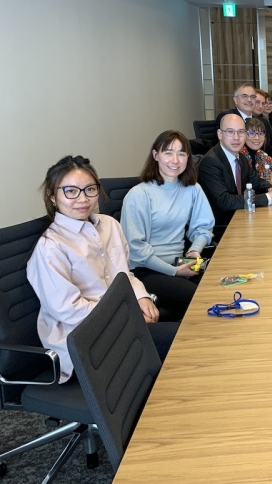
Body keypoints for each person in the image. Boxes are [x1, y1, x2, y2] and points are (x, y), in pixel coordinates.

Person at [26, 155, 177, 384]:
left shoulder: (109, 225)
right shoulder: (51, 247)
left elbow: (125, 274)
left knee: (184, 340)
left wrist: (141, 296)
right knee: (181, 347)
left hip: (120, 323)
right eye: (70, 191)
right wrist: (127, 317)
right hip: (84, 340)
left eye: (90, 189)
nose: (83, 199)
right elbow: (70, 311)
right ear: (52, 196)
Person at [121, 130, 215, 321]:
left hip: (180, 263)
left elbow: (203, 226)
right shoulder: (139, 195)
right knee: (203, 300)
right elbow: (136, 249)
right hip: (147, 271)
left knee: (221, 285)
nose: (175, 160)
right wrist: (174, 272)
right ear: (156, 155)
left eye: (181, 154)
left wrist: (194, 251)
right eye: (168, 153)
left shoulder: (192, 188)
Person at [198, 114, 272, 229]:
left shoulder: (240, 157)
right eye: (230, 132)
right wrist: (268, 198)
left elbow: (257, 182)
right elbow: (225, 201)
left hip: (240, 217)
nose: (236, 138)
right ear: (220, 134)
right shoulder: (211, 162)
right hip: (222, 227)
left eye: (241, 132)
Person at [216, 84, 272, 153]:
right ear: (236, 100)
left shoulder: (261, 121)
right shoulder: (228, 117)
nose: (249, 100)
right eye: (244, 96)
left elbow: (270, 149)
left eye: (252, 97)